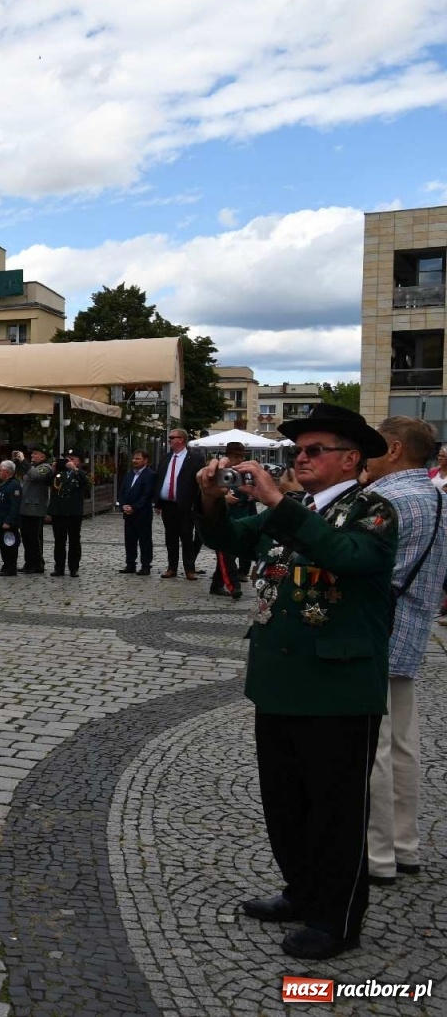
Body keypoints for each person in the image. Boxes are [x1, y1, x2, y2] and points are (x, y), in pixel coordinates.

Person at [196, 404, 395, 960]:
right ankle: (301, 890)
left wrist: (278, 502)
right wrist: (211, 498)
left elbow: (345, 557)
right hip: (280, 680)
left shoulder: (374, 510)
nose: (300, 459)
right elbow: (231, 541)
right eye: (298, 451)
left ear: (350, 458)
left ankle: (336, 919)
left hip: (338, 687)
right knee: (284, 803)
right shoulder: (299, 506)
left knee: (335, 811)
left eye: (314, 451)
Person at [362, 417, 447, 888]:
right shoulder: (438, 497)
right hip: (413, 634)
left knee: (372, 748)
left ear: (394, 449)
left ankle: (376, 855)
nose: (364, 454)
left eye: (372, 445)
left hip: (378, 635)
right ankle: (404, 844)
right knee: (403, 747)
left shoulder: (387, 499)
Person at [154, 427, 204, 579]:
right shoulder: (166, 457)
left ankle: (189, 568)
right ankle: (172, 567)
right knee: (170, 537)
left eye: (171, 438)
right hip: (167, 504)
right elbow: (160, 479)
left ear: (181, 439)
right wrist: (157, 502)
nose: (169, 440)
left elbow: (200, 482)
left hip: (185, 505)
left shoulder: (195, 458)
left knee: (187, 537)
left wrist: (195, 502)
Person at [209, 442, 254, 598]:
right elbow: (210, 494)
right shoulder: (220, 470)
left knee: (229, 554)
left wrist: (251, 495)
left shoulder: (245, 472)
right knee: (226, 554)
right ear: (229, 456)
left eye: (241, 456)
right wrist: (223, 497)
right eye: (237, 456)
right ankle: (234, 586)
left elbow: (251, 489)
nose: (240, 459)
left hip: (242, 517)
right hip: (224, 518)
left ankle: (216, 584)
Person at [48, 451, 89, 577]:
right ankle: (59, 567)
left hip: (73, 512)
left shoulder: (81, 473)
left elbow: (86, 483)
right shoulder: (59, 473)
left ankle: (73, 568)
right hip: (59, 512)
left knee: (74, 541)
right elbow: (46, 482)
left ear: (78, 462)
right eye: (66, 458)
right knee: (59, 540)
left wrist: (75, 469)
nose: (68, 461)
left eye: (72, 458)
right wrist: (53, 469)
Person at [118, 450, 155, 575]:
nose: (135, 461)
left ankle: (145, 565)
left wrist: (134, 507)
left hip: (142, 513)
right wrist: (123, 505)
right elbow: (122, 491)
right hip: (128, 514)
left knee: (144, 540)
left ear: (145, 460)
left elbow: (146, 494)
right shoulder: (129, 474)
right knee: (130, 539)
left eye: (138, 459)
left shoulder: (150, 475)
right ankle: (130, 564)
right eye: (134, 458)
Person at [18, 448, 53, 574]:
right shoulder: (32, 466)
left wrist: (23, 460)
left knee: (34, 539)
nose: (32, 455)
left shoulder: (45, 467)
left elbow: (36, 475)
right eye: (32, 453)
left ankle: (37, 564)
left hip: (35, 508)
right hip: (26, 507)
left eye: (35, 453)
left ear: (43, 457)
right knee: (26, 538)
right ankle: (29, 562)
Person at [0, 460, 23, 576]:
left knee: (10, 545)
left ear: (6, 471)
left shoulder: (14, 485)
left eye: (0, 470)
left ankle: (11, 567)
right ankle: (6, 565)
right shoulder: (4, 484)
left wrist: (9, 521)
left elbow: (15, 506)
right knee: (3, 544)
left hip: (8, 522)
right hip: (1, 520)